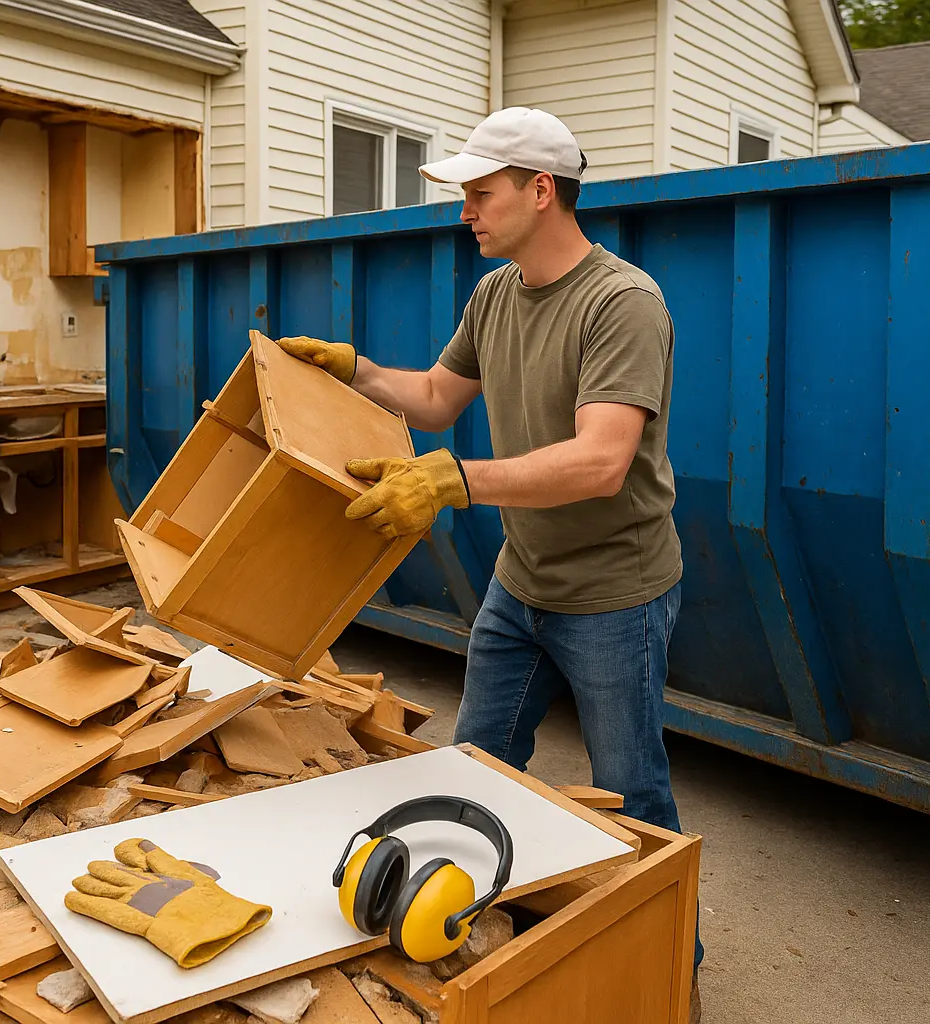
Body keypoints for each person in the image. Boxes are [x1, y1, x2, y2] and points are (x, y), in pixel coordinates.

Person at [277, 106, 701, 1019]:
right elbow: (433, 399)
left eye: (480, 192)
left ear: (540, 191)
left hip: (614, 593)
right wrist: (354, 368)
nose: (465, 210)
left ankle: (670, 973)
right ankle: (472, 932)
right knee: (472, 767)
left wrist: (455, 482)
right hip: (523, 582)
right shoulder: (496, 294)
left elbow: (600, 460)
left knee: (632, 794)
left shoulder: (623, 302)